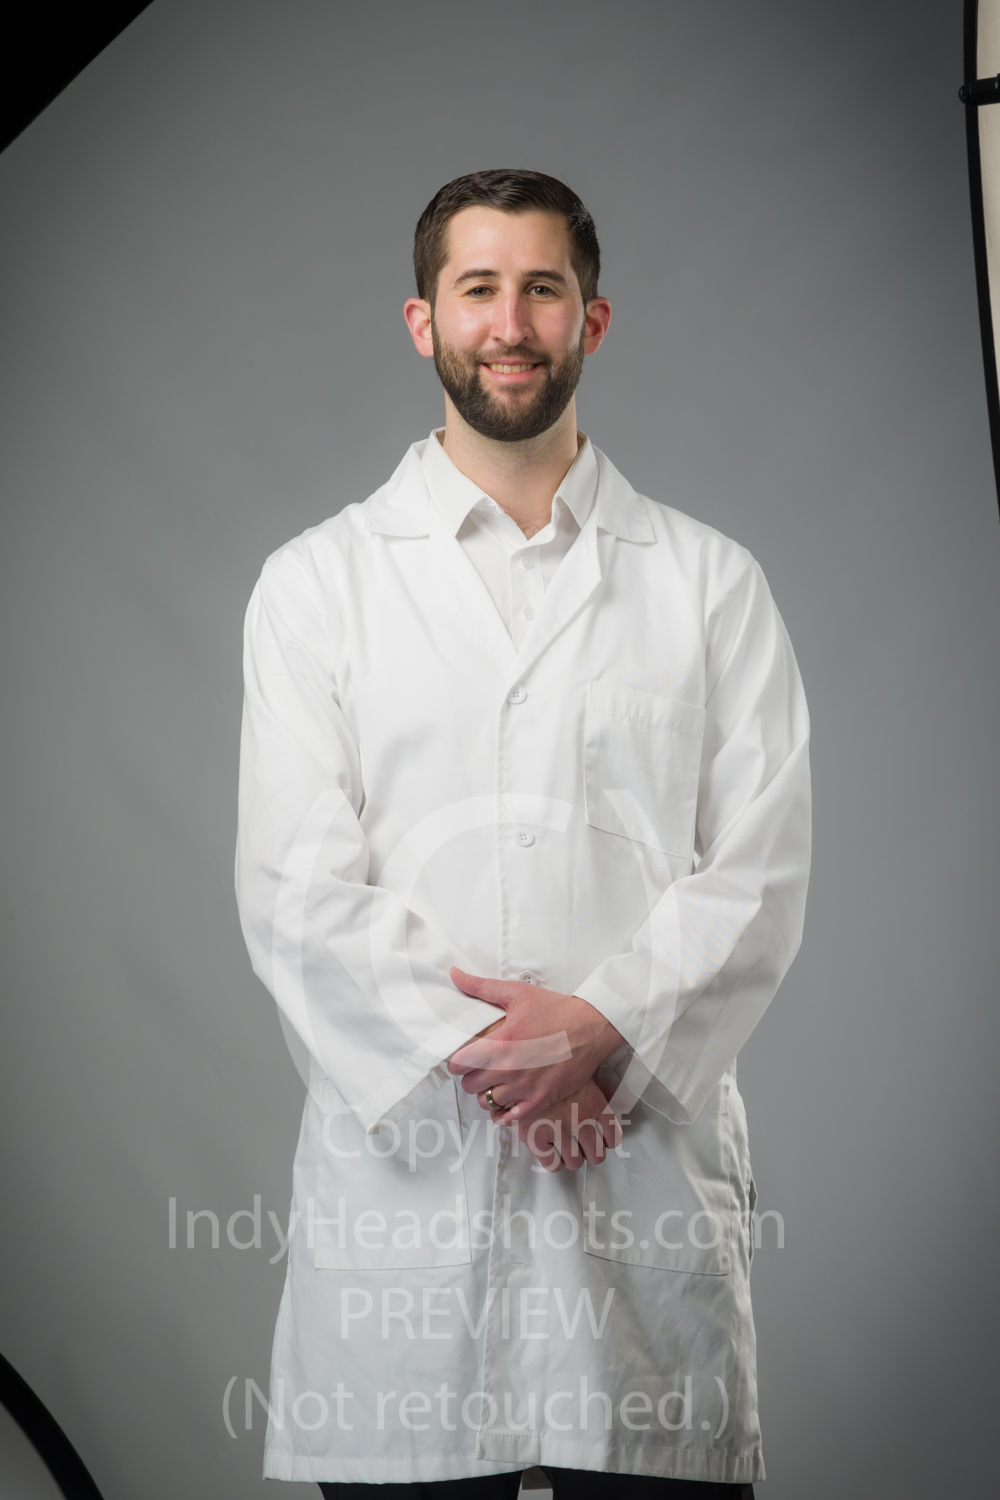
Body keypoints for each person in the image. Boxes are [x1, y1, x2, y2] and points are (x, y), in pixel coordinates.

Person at [235, 168, 811, 1498]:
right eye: (477, 288)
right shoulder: (317, 586)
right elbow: (294, 889)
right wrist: (523, 1065)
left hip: (639, 1186)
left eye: (543, 289)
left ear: (591, 321)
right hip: (414, 1214)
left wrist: (602, 1031)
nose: (510, 323)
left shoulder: (710, 586)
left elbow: (762, 874)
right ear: (422, 321)